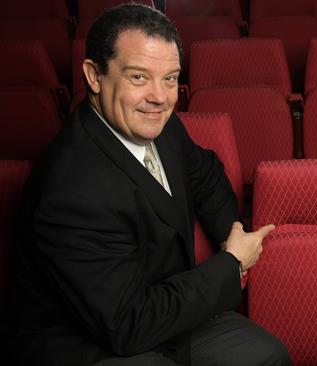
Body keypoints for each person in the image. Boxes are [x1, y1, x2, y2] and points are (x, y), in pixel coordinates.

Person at [2, 4, 289, 366]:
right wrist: (232, 263)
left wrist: (230, 232)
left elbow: (207, 174)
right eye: (139, 77)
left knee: (267, 355)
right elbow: (127, 326)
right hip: (89, 343)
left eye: (170, 78)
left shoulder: (159, 124)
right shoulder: (69, 190)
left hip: (160, 310)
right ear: (94, 75)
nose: (160, 97)